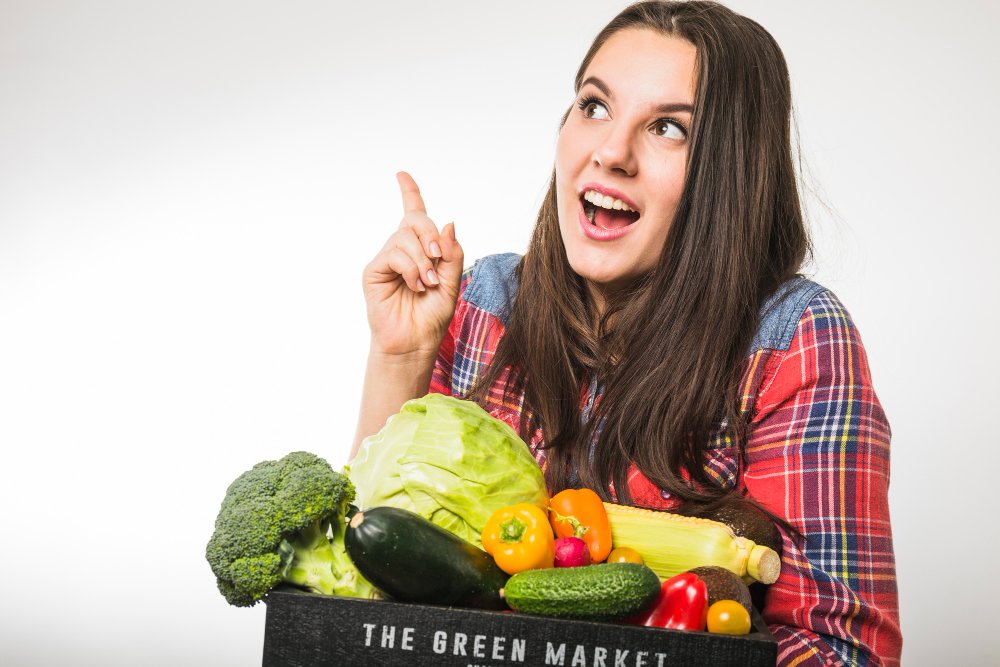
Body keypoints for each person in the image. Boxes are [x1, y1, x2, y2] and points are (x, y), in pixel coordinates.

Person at [351, 2, 901, 664]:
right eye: (594, 106)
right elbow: (361, 587)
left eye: (669, 128)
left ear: (728, 175)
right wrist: (400, 355)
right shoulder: (481, 305)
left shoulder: (791, 341)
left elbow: (839, 653)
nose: (611, 152)